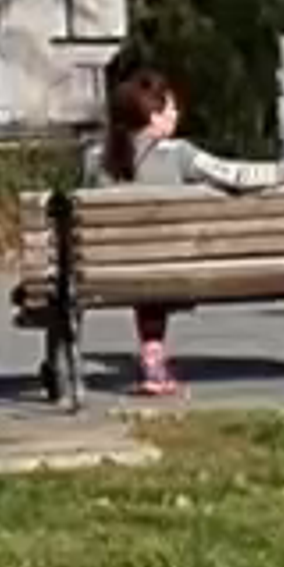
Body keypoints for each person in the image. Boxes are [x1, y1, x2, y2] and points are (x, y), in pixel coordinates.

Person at [102, 50, 273, 404]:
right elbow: (237, 176)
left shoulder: (96, 159)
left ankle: (152, 359)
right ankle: (153, 360)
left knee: (143, 263)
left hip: (108, 271)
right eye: (170, 108)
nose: (177, 114)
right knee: (155, 267)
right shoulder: (178, 154)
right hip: (175, 269)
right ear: (153, 115)